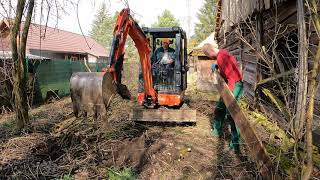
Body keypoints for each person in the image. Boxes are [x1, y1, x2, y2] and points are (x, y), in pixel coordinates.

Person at [202, 42, 243, 153]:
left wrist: (229, 95)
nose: (209, 57)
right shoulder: (221, 55)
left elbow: (231, 78)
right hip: (229, 85)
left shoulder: (222, 56)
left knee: (232, 114)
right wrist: (217, 67)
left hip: (235, 85)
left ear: (209, 52)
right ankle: (217, 130)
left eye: (208, 56)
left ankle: (235, 144)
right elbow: (225, 73)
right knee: (220, 108)